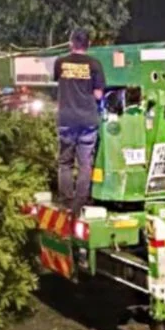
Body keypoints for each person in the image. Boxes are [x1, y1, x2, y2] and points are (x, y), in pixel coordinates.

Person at [54, 29, 106, 215]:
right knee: (85, 164)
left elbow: (58, 82)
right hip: (87, 120)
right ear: (88, 44)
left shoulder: (60, 62)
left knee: (65, 163)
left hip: (67, 119)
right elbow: (98, 94)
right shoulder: (95, 64)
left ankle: (66, 201)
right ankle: (80, 202)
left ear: (71, 43)